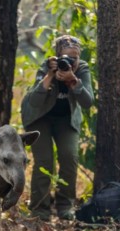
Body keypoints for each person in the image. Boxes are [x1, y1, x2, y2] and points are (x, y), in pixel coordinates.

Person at [21, 35, 94, 221]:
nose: (70, 61)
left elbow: (87, 102)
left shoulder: (82, 69)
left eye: (75, 57)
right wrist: (50, 75)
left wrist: (74, 81)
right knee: (44, 161)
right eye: (66, 57)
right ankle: (40, 209)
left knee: (69, 156)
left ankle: (65, 205)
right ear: (57, 56)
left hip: (65, 119)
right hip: (39, 117)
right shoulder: (48, 66)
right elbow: (35, 102)